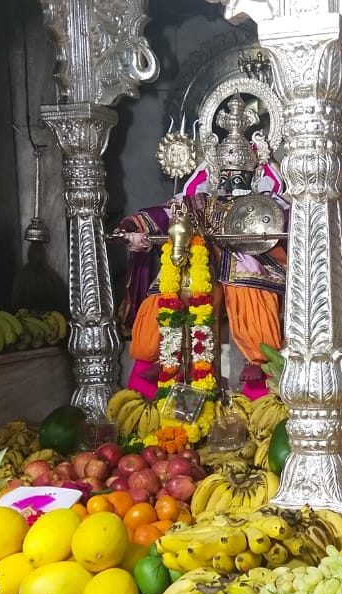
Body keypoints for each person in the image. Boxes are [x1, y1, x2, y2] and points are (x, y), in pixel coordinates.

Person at [115, 95, 287, 402]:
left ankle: (258, 357)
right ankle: (157, 354)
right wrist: (135, 228)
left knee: (249, 281)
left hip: (246, 256)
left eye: (240, 175)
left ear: (253, 174)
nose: (232, 181)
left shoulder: (264, 201)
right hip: (199, 257)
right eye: (227, 175)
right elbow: (168, 214)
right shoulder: (199, 200)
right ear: (216, 172)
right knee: (165, 285)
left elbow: (282, 217)